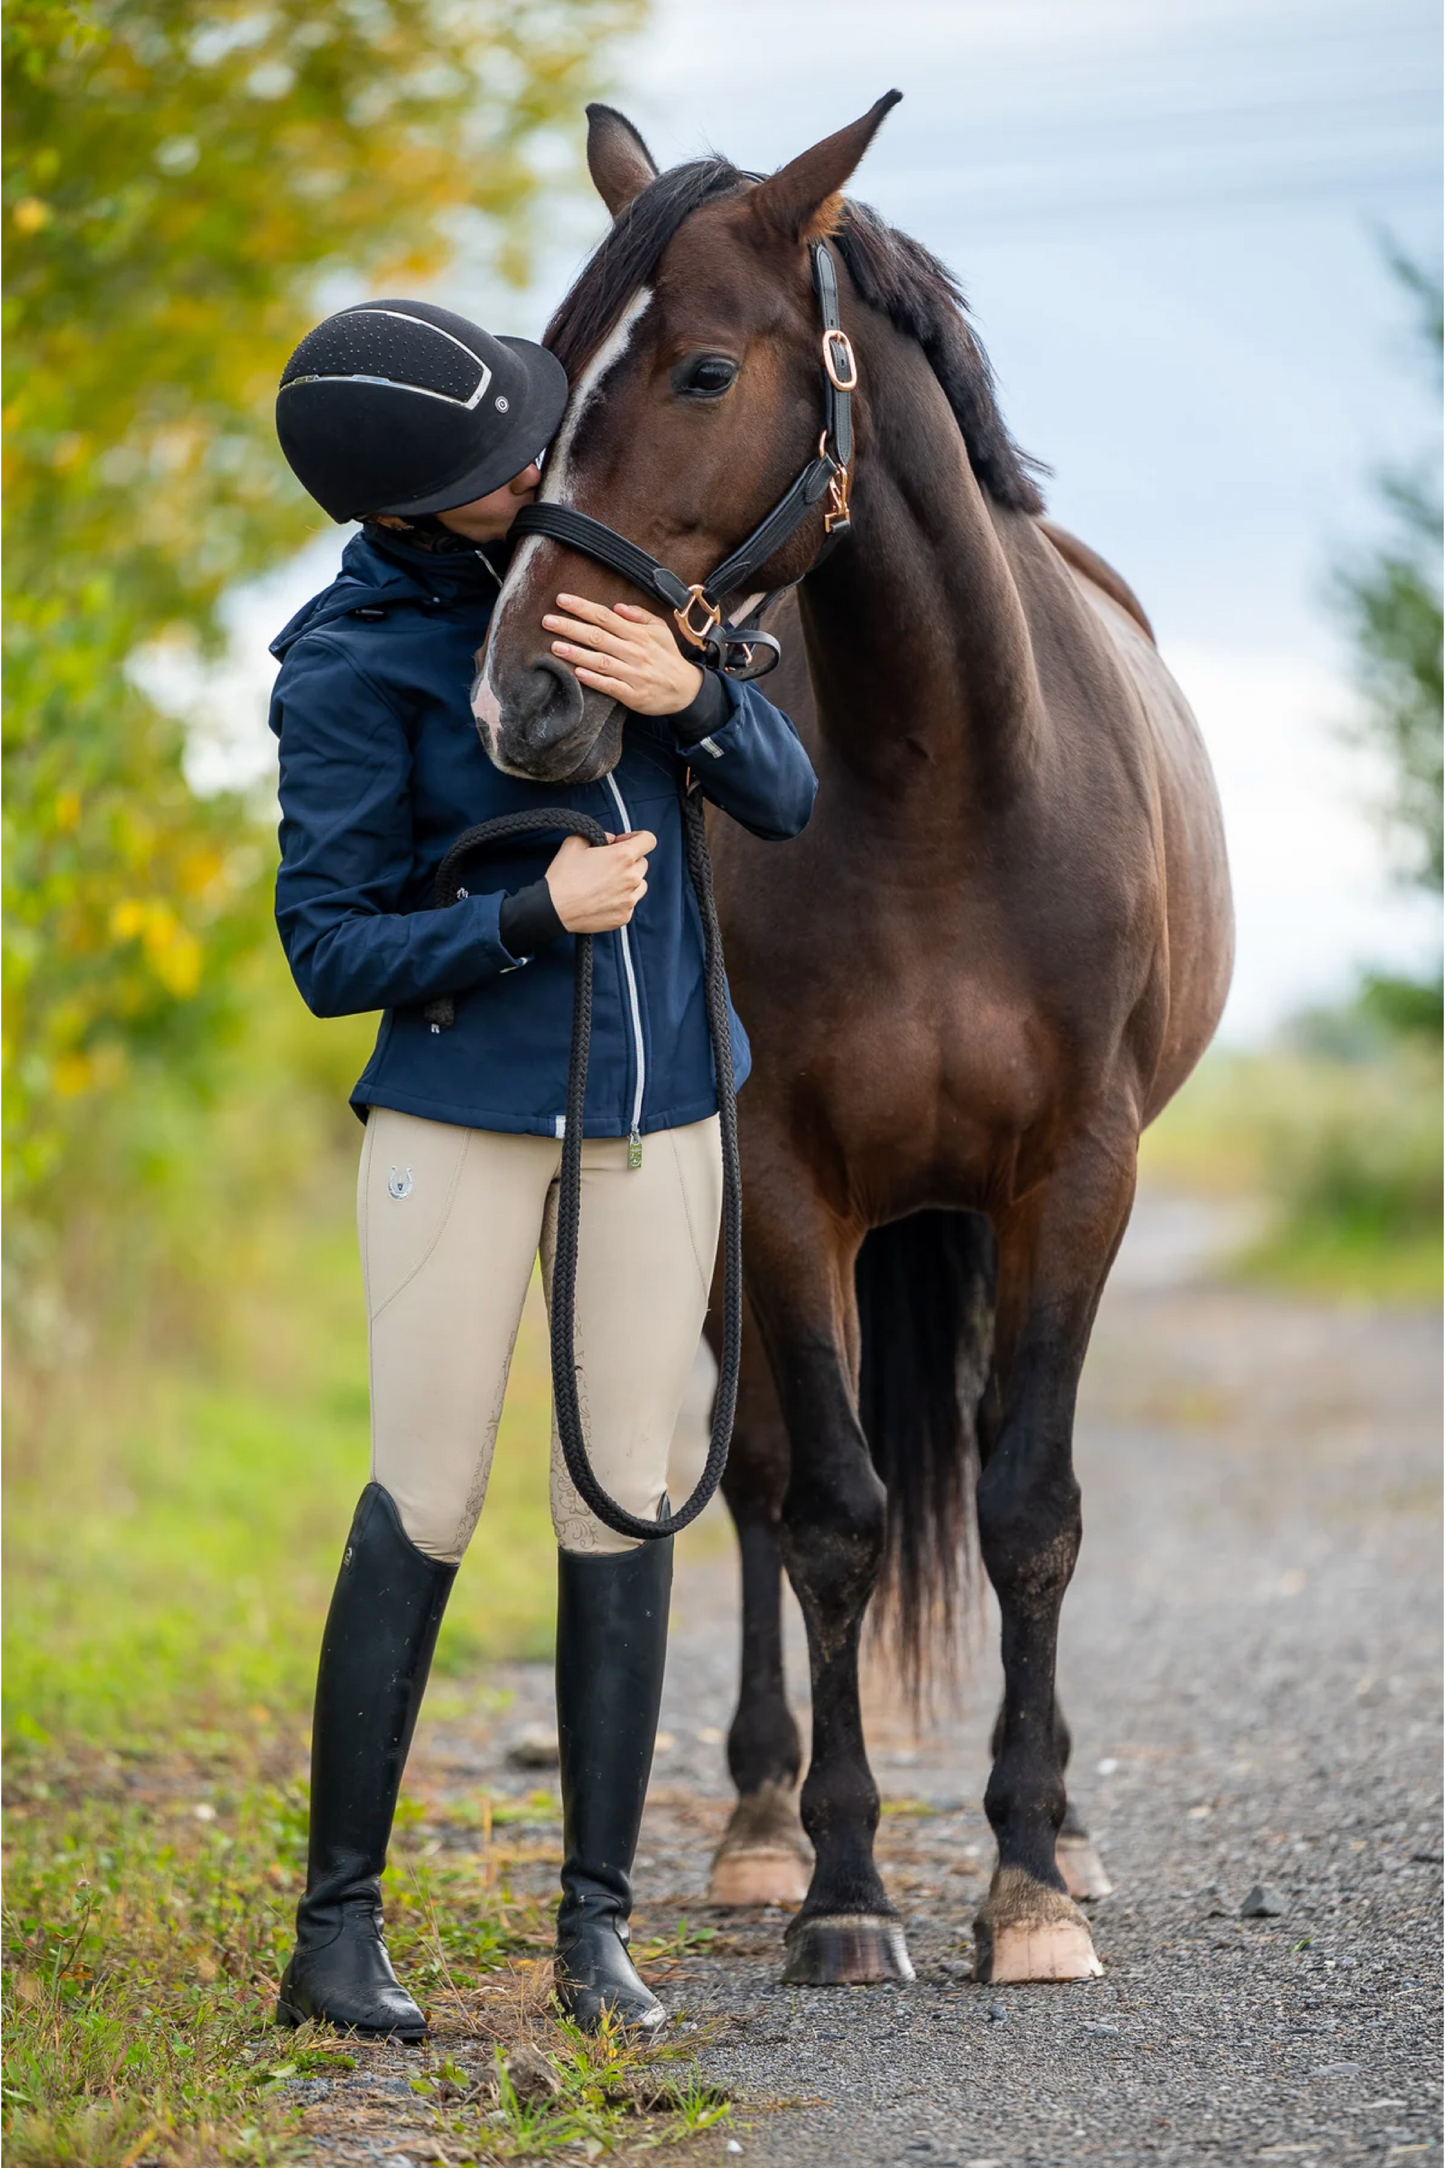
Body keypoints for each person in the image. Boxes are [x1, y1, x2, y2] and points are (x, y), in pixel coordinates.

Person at [265, 298, 817, 2041]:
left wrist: (699, 697)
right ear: (418, 509)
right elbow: (331, 949)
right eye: (505, 466)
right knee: (423, 1496)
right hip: (456, 1125)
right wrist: (525, 914)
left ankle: (597, 1931)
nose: (540, 471)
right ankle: (335, 1935)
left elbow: (788, 803)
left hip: (658, 1117)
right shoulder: (351, 668)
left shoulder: (614, 585)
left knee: (629, 1495)